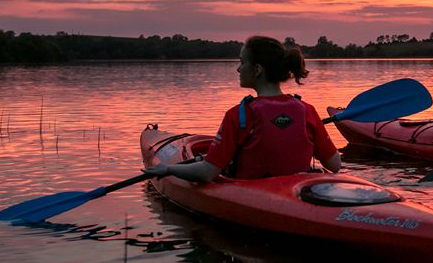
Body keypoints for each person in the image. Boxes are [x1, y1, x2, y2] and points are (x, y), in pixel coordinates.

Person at [144, 35, 341, 182]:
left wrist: (169, 170)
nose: (238, 69)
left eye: (242, 62)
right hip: (297, 193)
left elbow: (207, 173)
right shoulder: (306, 110)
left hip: (254, 196)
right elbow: (334, 165)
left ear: (257, 70)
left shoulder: (239, 115)